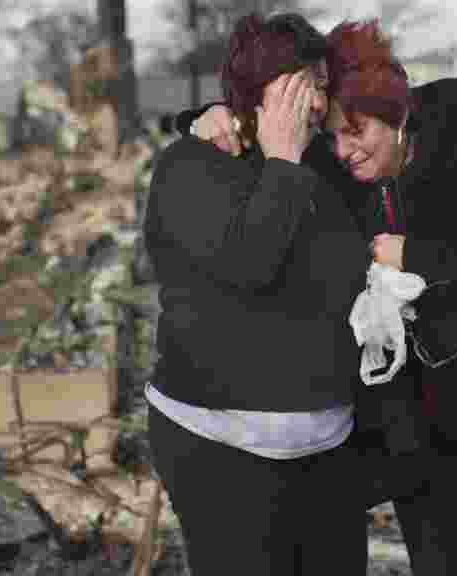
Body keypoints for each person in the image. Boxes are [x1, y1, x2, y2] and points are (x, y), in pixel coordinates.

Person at [190, 18, 457, 575]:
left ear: (396, 116)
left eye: (358, 130)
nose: (345, 149)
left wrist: (417, 256)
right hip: (424, 437)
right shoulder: (339, 177)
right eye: (332, 136)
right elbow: (264, 145)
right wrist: (207, 119)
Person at [143, 13, 370, 576]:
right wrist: (283, 159)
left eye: (321, 84)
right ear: (257, 88)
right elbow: (249, 263)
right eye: (301, 84)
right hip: (220, 448)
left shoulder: (325, 168)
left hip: (327, 446)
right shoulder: (189, 168)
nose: (315, 101)